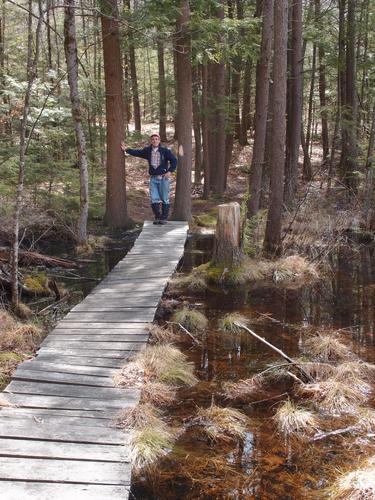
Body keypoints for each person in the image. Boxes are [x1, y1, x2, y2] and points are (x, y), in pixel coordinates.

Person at [121, 134, 177, 225]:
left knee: (164, 198)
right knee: (154, 198)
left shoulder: (165, 151)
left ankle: (164, 218)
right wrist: (126, 149)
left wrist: (170, 171)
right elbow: (137, 152)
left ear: (159, 141)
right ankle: (157, 217)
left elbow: (174, 160)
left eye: (156, 139)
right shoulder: (148, 151)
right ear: (151, 141)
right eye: (153, 139)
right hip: (153, 179)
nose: (154, 141)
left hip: (163, 178)